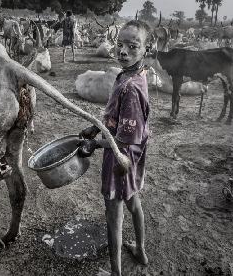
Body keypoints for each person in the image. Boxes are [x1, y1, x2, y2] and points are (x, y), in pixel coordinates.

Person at [78, 20, 152, 276]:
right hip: (131, 156)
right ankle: (141, 250)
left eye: (133, 46)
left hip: (121, 159)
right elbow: (113, 114)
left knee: (114, 214)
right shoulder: (127, 75)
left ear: (146, 48)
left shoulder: (131, 87)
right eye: (120, 45)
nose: (123, 51)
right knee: (133, 200)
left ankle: (115, 272)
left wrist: (94, 143)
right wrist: (96, 127)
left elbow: (122, 141)